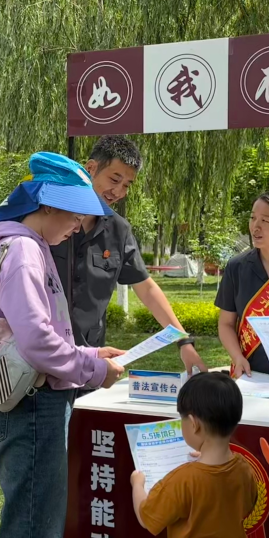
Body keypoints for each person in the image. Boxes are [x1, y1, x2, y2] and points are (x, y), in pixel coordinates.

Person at [0, 152, 126, 538]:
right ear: (47, 206)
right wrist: (93, 371)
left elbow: (42, 330)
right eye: (76, 215)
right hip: (34, 408)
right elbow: (38, 343)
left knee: (32, 530)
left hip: (26, 404)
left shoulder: (21, 245)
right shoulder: (25, 250)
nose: (78, 227)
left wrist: (92, 352)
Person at [51, 136, 208, 383]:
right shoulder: (49, 217)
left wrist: (183, 341)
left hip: (90, 364)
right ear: (91, 168)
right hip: (42, 361)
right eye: (114, 179)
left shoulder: (118, 230)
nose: (118, 192)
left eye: (127, 185)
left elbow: (146, 289)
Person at [130, 372, 257, 538]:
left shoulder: (182, 479)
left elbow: (146, 517)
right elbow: (248, 503)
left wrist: (137, 485)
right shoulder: (244, 468)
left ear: (193, 423)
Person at [214, 191, 269, 378]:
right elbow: (226, 323)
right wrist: (237, 357)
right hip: (251, 373)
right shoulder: (237, 266)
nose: (255, 227)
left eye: (266, 221)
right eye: (253, 218)